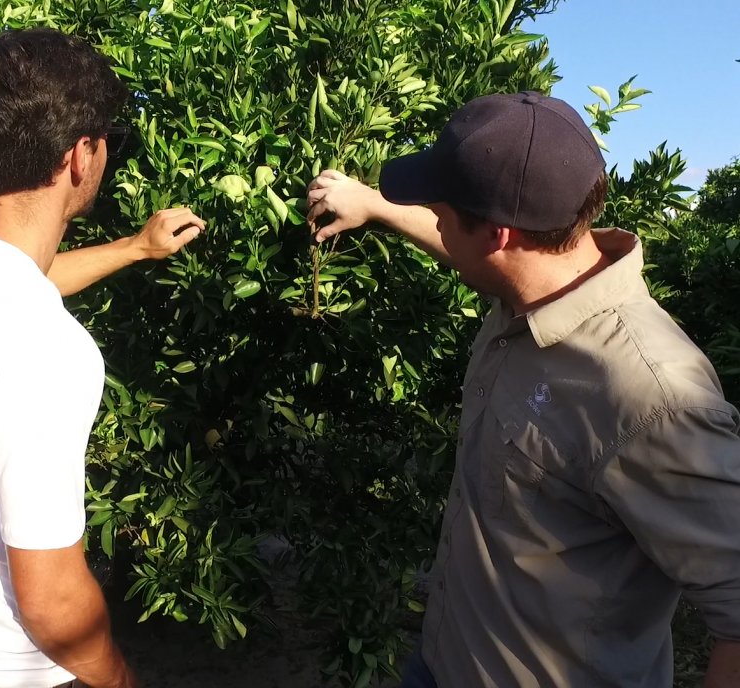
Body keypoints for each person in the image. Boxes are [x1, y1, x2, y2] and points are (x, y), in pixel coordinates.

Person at [306, 91, 740, 688]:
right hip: (446, 660)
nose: (432, 219)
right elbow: (470, 249)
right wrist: (374, 206)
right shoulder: (527, 291)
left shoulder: (651, 397)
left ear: (498, 234)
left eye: (440, 210)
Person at [0, 28, 203, 688]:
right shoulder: (45, 353)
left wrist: (137, 248)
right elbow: (51, 603)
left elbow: (25, 278)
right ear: (82, 154)